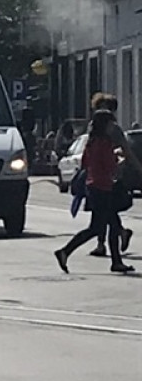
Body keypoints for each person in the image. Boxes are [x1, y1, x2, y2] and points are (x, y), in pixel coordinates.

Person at [55, 110, 135, 275]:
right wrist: (119, 161)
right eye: (110, 123)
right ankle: (65, 251)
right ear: (104, 125)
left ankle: (117, 262)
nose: (112, 127)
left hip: (94, 186)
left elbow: (85, 163)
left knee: (112, 224)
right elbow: (111, 167)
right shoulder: (104, 143)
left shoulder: (91, 142)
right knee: (96, 228)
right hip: (103, 187)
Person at [86, 94, 140, 257]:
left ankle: (109, 243)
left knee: (105, 210)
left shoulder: (113, 128)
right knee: (102, 211)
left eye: (107, 107)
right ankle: (108, 241)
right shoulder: (94, 126)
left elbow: (126, 149)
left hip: (112, 174)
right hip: (97, 174)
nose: (103, 111)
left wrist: (136, 167)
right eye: (100, 107)